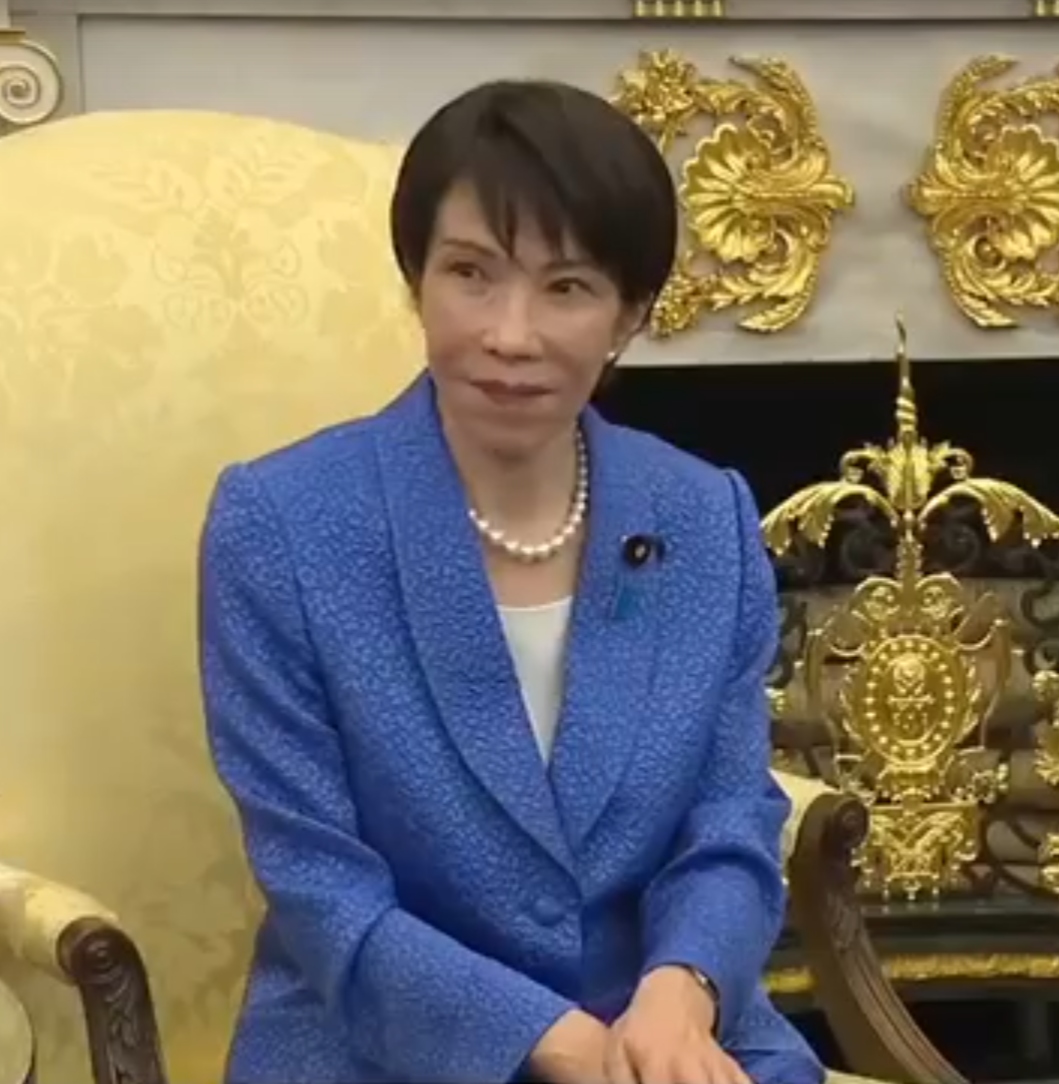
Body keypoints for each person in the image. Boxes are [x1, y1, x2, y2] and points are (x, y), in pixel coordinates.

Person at [197, 80, 823, 1084]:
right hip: (378, 1047)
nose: (510, 335)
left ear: (630, 315)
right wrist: (567, 1047)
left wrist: (683, 992)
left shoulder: (704, 517)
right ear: (416, 280)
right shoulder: (281, 524)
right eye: (470, 274)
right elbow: (319, 884)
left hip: (665, 1041)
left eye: (566, 287)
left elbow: (729, 821)